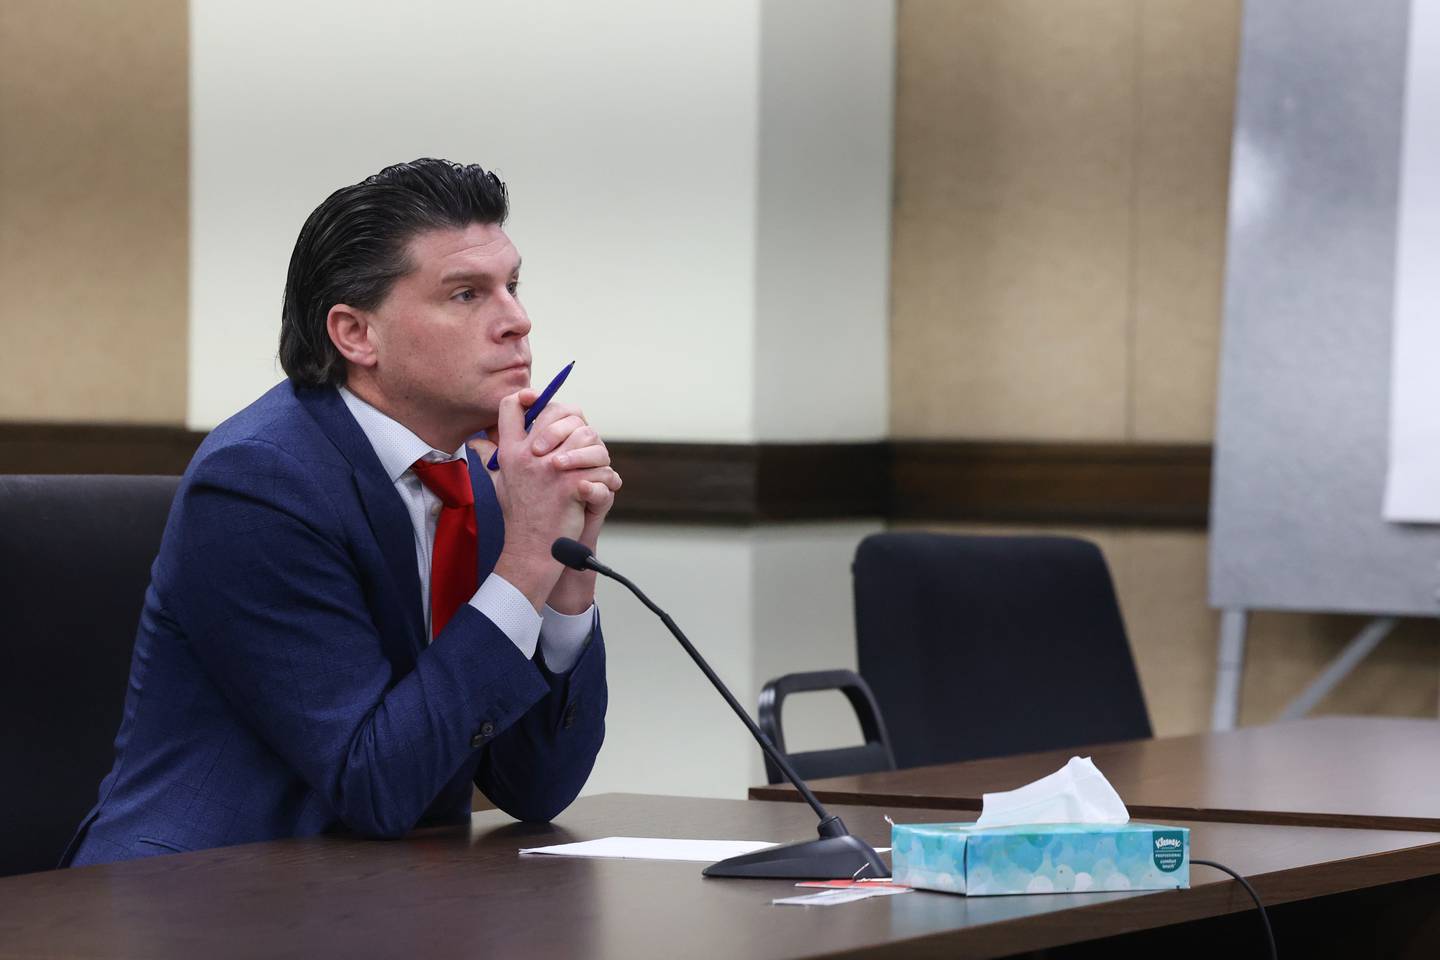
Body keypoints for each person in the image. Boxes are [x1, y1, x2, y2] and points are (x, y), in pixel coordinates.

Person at [64, 159, 618, 865]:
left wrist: (567, 571)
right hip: (202, 900)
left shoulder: (478, 480)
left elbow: (536, 789)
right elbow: (375, 782)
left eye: (511, 286)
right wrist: (528, 553)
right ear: (357, 334)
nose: (516, 320)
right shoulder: (260, 482)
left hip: (387, 899)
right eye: (465, 294)